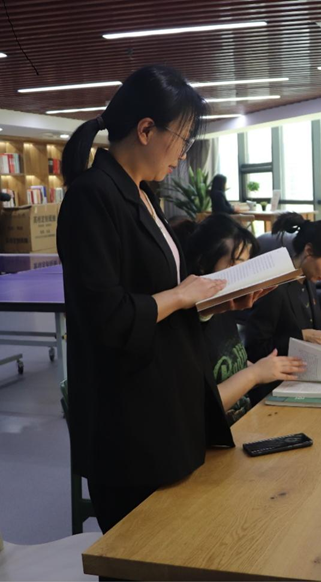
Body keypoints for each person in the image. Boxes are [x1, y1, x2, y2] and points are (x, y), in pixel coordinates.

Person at [57, 65, 267, 533]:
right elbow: (107, 315)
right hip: (129, 420)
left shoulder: (143, 195)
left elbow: (159, 300)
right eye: (183, 139)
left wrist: (214, 303)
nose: (184, 153)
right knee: (146, 550)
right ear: (146, 129)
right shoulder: (93, 196)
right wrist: (181, 293)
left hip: (165, 405)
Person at [175, 214, 306, 422]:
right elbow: (199, 406)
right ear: (202, 263)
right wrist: (254, 375)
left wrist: (267, 369)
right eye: (236, 265)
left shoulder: (223, 311)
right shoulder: (181, 325)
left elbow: (232, 367)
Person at [244, 213, 321, 371]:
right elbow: (255, 350)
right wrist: (301, 336)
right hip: (279, 378)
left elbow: (308, 329)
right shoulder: (274, 288)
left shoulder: (307, 279)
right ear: (309, 251)